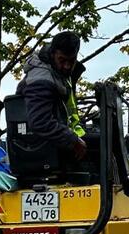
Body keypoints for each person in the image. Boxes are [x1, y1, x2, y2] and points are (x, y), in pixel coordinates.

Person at [16, 31, 87, 160]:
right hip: (40, 146)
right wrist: (73, 139)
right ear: (53, 54)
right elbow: (40, 122)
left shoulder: (58, 73)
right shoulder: (41, 80)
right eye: (62, 60)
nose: (67, 66)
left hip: (53, 139)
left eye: (71, 61)